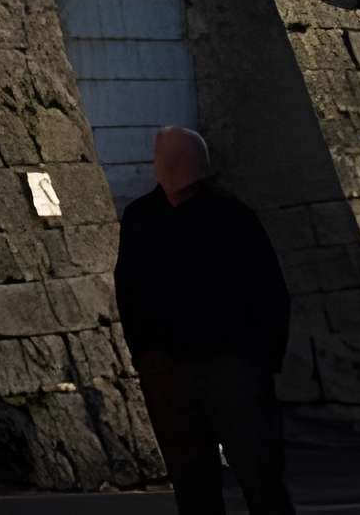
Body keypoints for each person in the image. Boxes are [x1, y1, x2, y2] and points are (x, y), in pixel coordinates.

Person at [115, 127, 295, 515]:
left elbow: (267, 293)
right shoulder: (143, 217)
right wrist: (146, 356)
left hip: (228, 365)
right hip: (173, 367)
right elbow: (128, 291)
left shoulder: (229, 215)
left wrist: (259, 360)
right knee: (194, 481)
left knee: (258, 475)